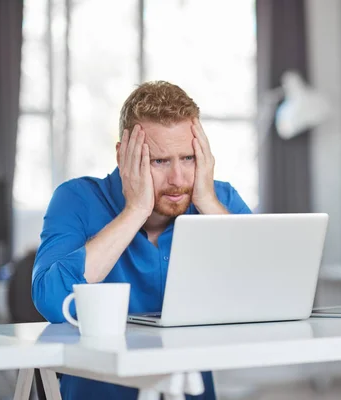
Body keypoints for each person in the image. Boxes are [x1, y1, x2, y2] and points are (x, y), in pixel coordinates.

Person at [31, 81, 252, 399]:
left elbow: (260, 289)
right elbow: (51, 300)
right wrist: (135, 210)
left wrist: (207, 203)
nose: (177, 179)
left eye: (188, 158)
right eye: (159, 161)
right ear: (123, 155)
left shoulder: (220, 201)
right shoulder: (76, 198)